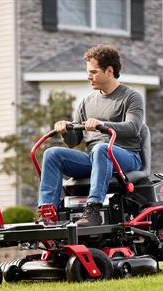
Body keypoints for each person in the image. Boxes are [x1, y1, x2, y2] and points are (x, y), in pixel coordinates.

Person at [38, 44, 145, 227]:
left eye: (93, 72)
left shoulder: (131, 97)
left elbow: (133, 127)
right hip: (95, 157)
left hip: (125, 156)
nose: (89, 77)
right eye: (88, 72)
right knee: (52, 154)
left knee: (102, 149)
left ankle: (93, 210)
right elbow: (74, 141)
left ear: (109, 71)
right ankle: (48, 214)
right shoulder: (86, 103)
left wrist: (102, 125)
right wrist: (65, 131)